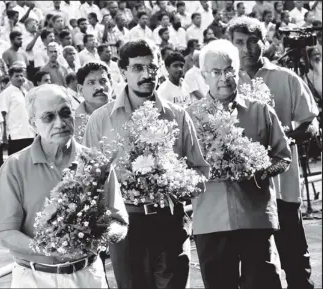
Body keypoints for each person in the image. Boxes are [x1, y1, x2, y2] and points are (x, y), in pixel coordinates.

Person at [82, 39, 208, 289]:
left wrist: (177, 182)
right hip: (126, 226)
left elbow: (200, 171)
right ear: (123, 71)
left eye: (151, 67)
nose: (146, 74)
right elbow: (88, 179)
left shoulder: (178, 115)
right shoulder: (100, 119)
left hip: (170, 221)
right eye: (137, 68)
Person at [0, 83, 128, 288]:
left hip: (88, 275)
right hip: (35, 278)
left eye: (65, 113)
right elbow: (6, 233)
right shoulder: (14, 167)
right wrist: (48, 248)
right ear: (32, 124)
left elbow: (119, 220)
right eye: (48, 117)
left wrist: (99, 237)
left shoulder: (96, 162)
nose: (60, 123)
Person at [187, 38, 291, 289]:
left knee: (265, 284)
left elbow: (283, 158)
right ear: (204, 75)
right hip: (211, 221)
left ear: (238, 71)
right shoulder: (189, 118)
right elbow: (181, 167)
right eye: (216, 72)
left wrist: (260, 171)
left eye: (229, 70)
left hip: (255, 217)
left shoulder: (260, 111)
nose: (224, 78)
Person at [228, 16, 319, 289]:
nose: (247, 49)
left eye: (253, 41)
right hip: (246, 194)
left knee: (296, 263)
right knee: (256, 269)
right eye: (239, 43)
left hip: (284, 188)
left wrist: (286, 137)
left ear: (264, 43)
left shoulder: (286, 78)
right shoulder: (226, 82)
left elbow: (311, 122)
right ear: (230, 46)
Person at [0, 66, 35, 155]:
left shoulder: (26, 92)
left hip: (29, 133)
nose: (20, 78)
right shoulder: (6, 93)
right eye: (16, 76)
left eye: (21, 75)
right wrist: (4, 136)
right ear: (10, 78)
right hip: (16, 135)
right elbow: (2, 115)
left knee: (29, 163)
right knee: (16, 164)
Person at [75, 62, 112, 142]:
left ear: (111, 84)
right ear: (81, 90)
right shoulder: (72, 123)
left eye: (103, 81)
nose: (99, 87)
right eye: (91, 82)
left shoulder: (128, 113)